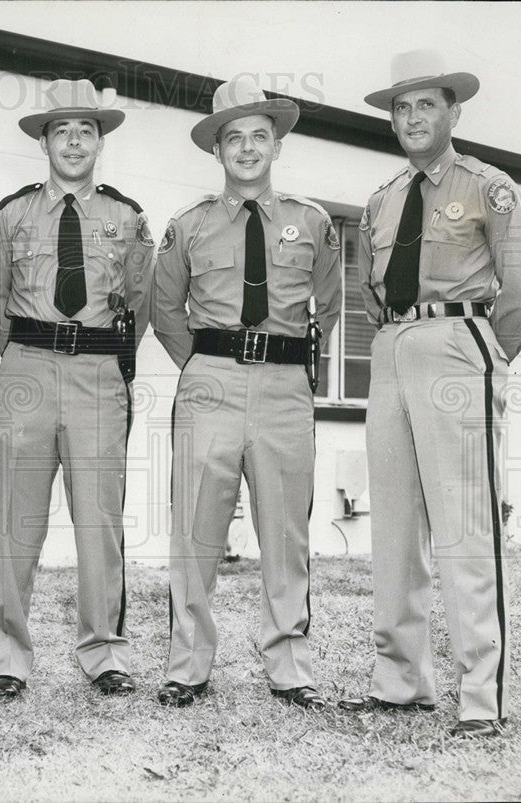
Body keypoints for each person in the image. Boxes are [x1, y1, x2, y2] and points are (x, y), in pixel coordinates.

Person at [339, 50, 521, 738]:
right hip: (393, 348)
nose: (413, 117)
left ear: (454, 111)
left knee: (464, 527)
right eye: (402, 107)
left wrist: (482, 358)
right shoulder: (382, 198)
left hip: (460, 345)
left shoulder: (489, 186)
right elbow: (368, 292)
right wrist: (402, 341)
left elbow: (519, 297)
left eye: (427, 104)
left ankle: (481, 693)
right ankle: (401, 681)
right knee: (394, 526)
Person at [151, 75, 341, 708]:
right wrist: (208, 365)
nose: (249, 149)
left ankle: (289, 665)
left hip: (286, 386)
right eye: (236, 138)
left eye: (261, 136)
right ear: (218, 150)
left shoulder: (313, 222)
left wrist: (285, 362)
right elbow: (164, 309)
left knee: (286, 530)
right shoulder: (190, 225)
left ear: (277, 146)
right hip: (211, 381)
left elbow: (332, 304)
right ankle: (188, 666)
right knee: (197, 527)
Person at [0, 79, 154, 701]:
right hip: (26, 365)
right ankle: (5, 656)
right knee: (13, 519)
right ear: (44, 141)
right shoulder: (10, 214)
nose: (74, 141)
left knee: (99, 518)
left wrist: (92, 356)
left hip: (99, 374)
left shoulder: (127, 217)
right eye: (62, 131)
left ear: (100, 142)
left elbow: (140, 301)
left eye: (86, 131)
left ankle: (104, 651)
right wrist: (31, 352)